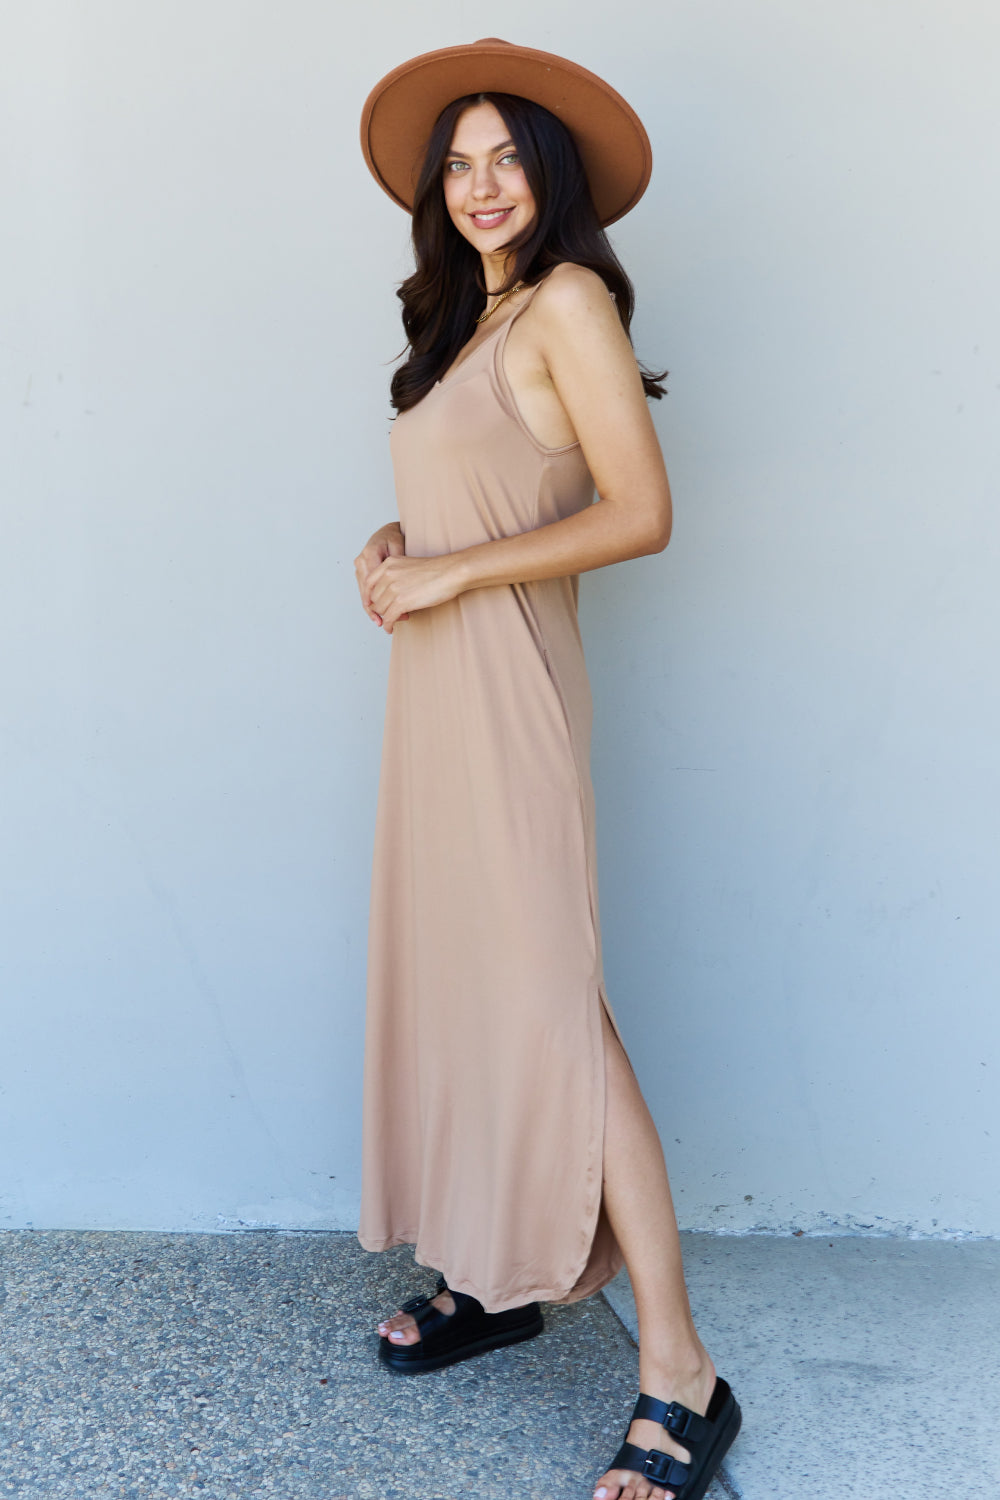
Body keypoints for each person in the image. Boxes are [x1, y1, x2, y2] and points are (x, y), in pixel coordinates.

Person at [354, 39, 741, 1500]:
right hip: (434, 695)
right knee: (467, 983)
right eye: (459, 163)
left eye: (506, 155)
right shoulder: (471, 321)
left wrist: (452, 578)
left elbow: (639, 511)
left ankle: (681, 1372)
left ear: (553, 175)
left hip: (506, 700)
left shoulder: (569, 299)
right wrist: (395, 552)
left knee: (555, 1013)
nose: (481, 185)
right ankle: (495, 1267)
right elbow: (474, 494)